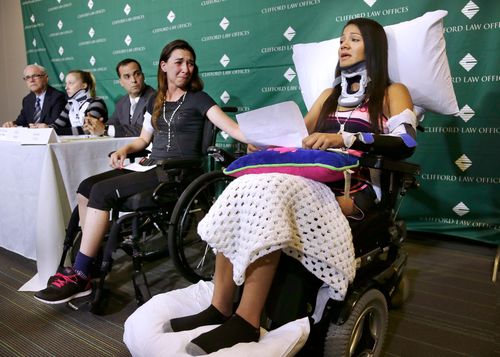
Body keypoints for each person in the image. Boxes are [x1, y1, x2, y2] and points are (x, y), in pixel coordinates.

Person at [162, 18, 418, 355]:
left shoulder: (392, 92)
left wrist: (347, 137)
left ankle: (247, 321)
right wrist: (263, 144)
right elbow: (296, 137)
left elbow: (407, 140)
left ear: (373, 48)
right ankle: (220, 305)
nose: (343, 45)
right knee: (242, 187)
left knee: (272, 194)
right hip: (310, 182)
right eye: (342, 40)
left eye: (353, 39)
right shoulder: (329, 96)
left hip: (354, 191)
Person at [34, 39, 247, 305]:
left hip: (176, 173)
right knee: (86, 187)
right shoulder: (156, 100)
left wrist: (261, 138)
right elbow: (143, 141)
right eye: (179, 62)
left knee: (101, 191)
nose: (186, 68)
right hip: (150, 165)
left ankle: (80, 274)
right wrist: (124, 150)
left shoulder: (199, 99)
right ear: (164, 66)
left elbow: (234, 129)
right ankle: (91, 256)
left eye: (190, 63)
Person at [88, 58, 156, 137]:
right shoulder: (122, 102)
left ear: (143, 76)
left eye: (137, 74)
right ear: (121, 82)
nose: (133, 80)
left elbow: (145, 130)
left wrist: (106, 129)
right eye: (127, 77)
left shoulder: (155, 98)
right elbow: (112, 124)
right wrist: (95, 125)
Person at [40, 70, 108, 135]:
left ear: (84, 85)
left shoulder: (96, 103)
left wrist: (54, 131)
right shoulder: (70, 104)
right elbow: (57, 125)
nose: (66, 87)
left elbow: (88, 130)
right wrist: (44, 128)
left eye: (70, 83)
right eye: (66, 83)